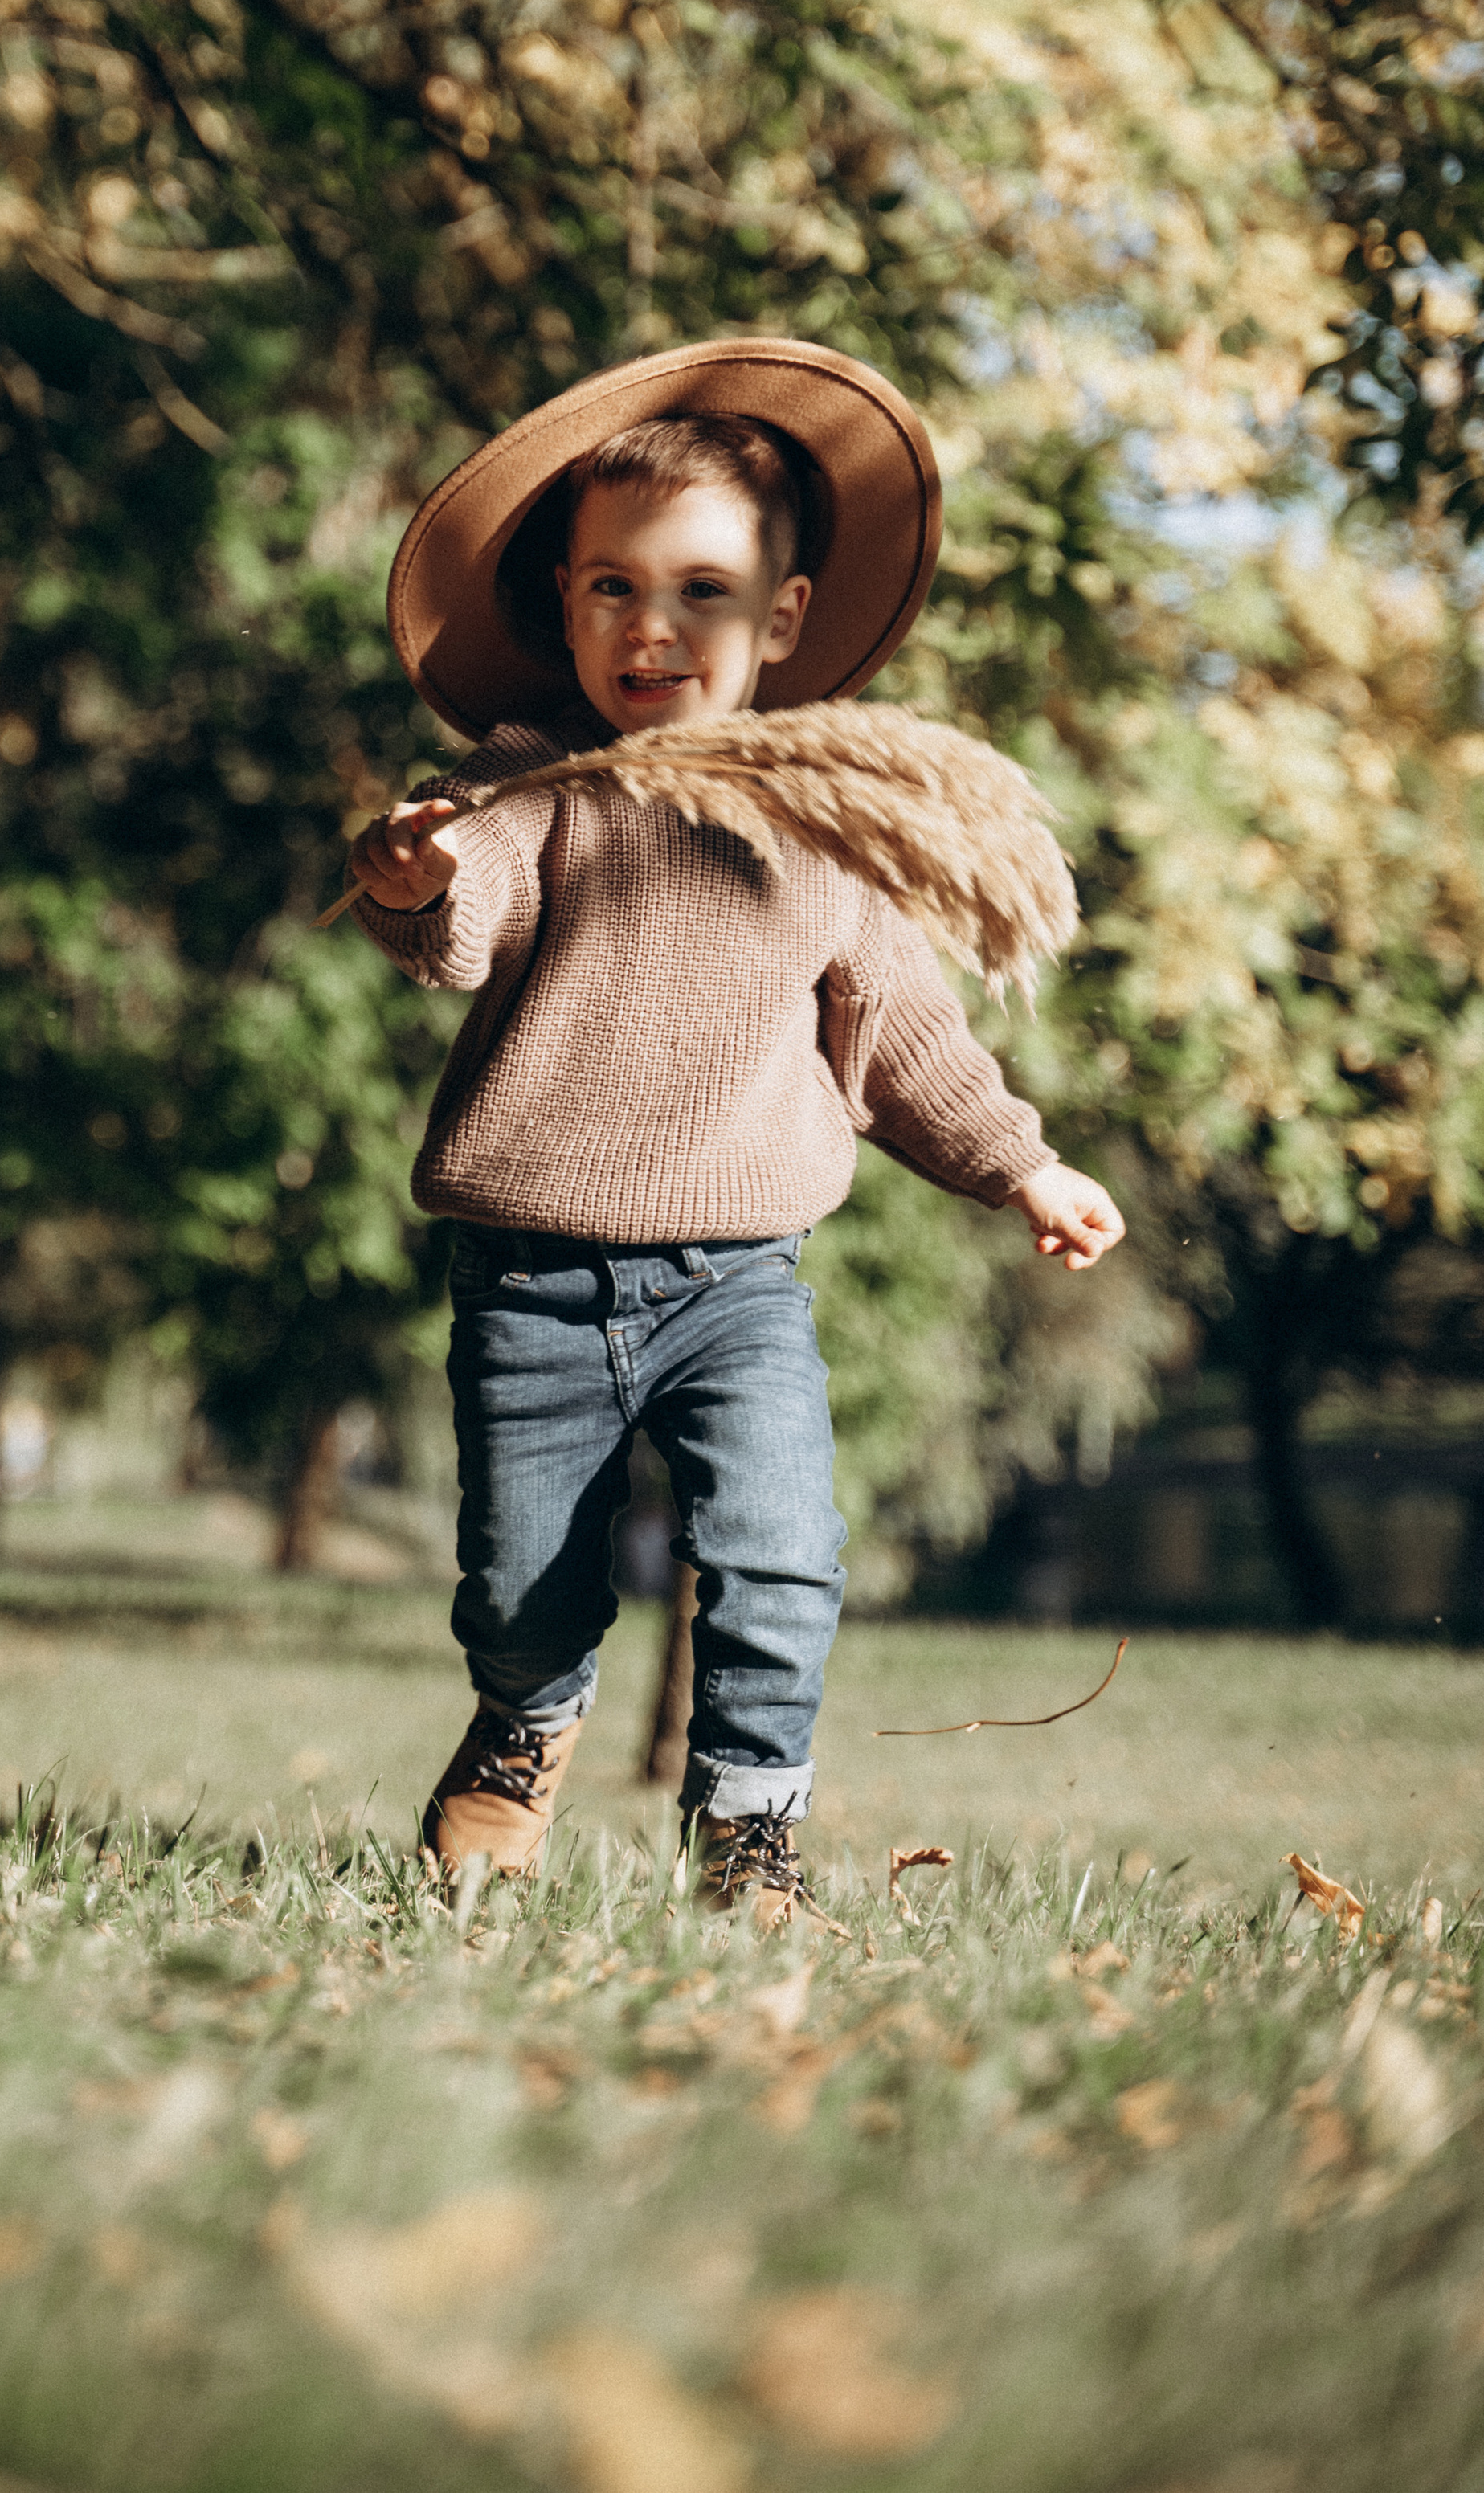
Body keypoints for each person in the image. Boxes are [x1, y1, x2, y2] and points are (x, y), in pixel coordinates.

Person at [345, 338, 1123, 1926]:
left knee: (775, 1554)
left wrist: (1019, 1164)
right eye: (611, 589)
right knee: (521, 1584)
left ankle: (748, 1835)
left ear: (779, 619)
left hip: (736, 1282)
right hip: (532, 1276)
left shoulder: (830, 827)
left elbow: (908, 1038)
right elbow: (463, 916)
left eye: (701, 592)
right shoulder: (524, 788)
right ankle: (524, 1724)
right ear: (559, 606)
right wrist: (416, 880)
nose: (652, 629)